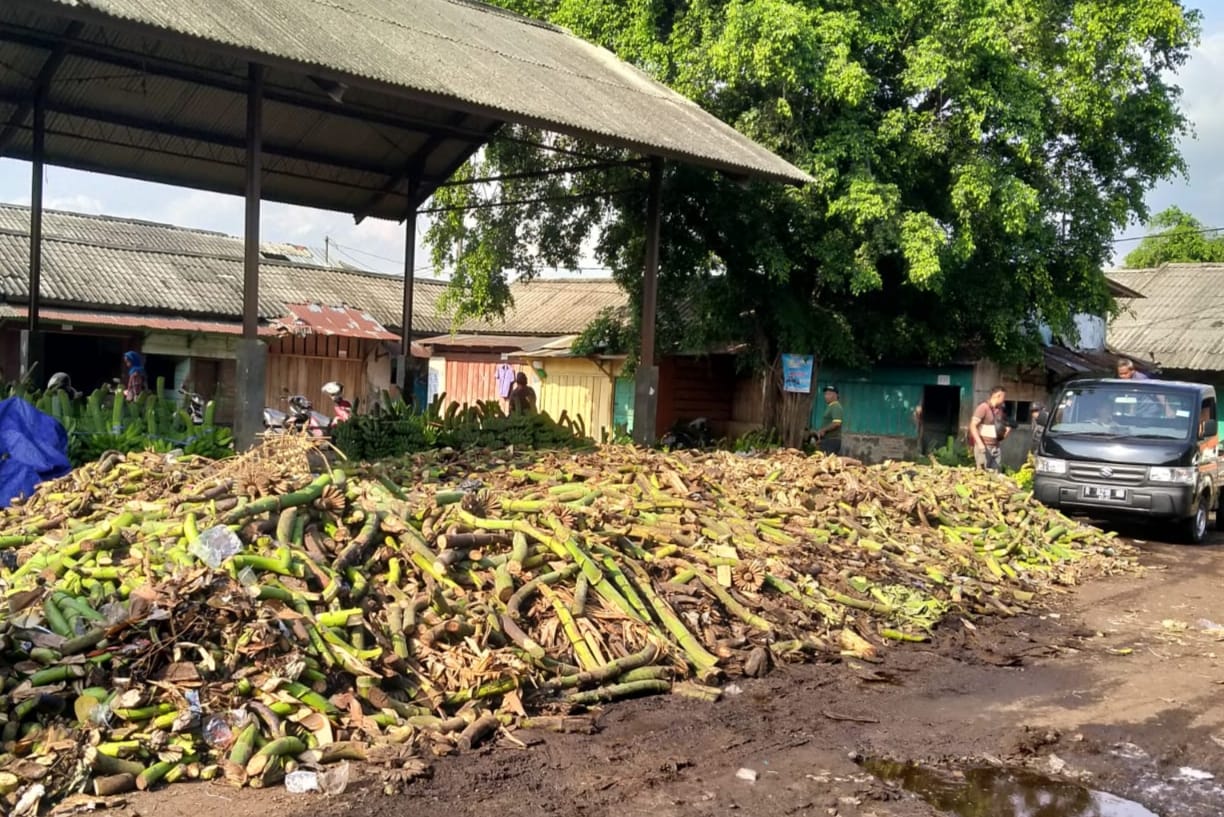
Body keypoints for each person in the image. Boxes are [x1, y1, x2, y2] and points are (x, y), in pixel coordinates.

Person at [970, 385, 1009, 471]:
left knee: (996, 473)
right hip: (984, 447)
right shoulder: (983, 407)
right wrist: (980, 443)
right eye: (1003, 396)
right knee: (983, 474)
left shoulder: (1000, 410)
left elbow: (999, 427)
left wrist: (1005, 432)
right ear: (998, 395)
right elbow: (973, 426)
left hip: (996, 447)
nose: (1004, 399)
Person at [813, 384, 844, 455]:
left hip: (832, 441)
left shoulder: (836, 406)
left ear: (836, 395)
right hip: (827, 440)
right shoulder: (830, 406)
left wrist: (823, 430)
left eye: (829, 394)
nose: (826, 396)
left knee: (827, 462)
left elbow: (837, 423)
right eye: (825, 394)